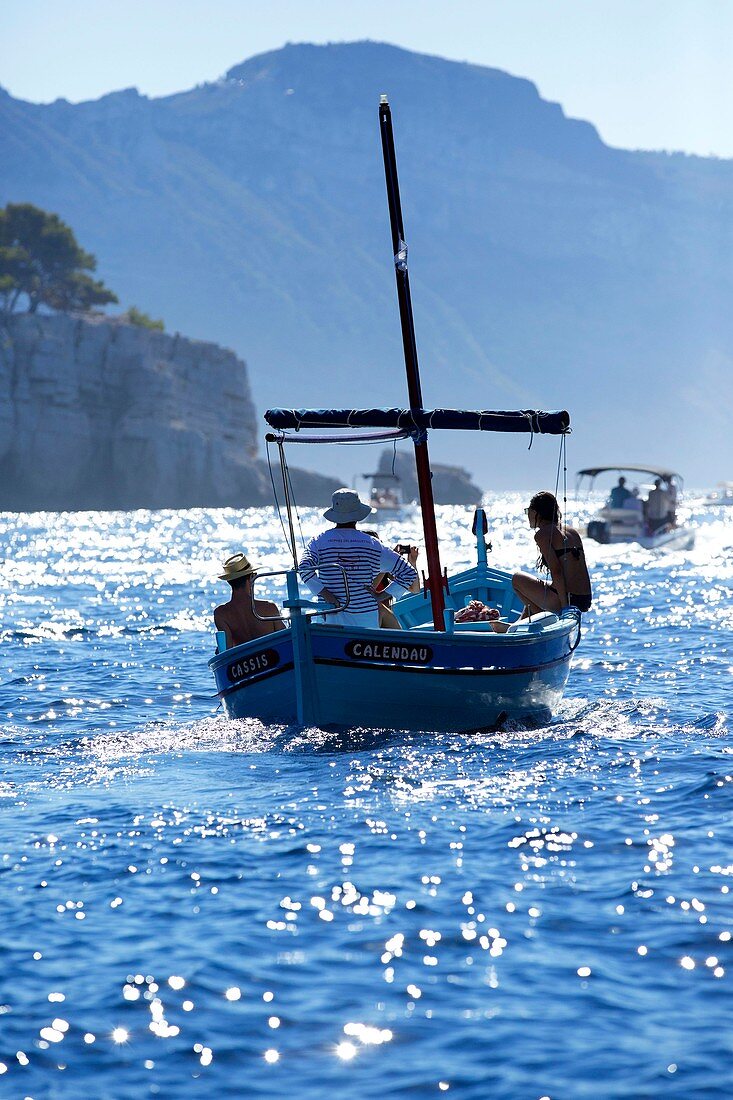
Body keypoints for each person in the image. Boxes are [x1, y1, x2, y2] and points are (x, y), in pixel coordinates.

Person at [299, 488, 419, 628]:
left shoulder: (319, 541)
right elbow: (409, 573)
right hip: (367, 620)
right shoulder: (373, 544)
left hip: (330, 618)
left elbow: (304, 567)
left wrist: (325, 594)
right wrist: (381, 595)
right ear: (357, 516)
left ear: (334, 514)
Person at [494, 491, 592, 630]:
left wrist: (565, 607)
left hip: (568, 600)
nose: (527, 514)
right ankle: (519, 623)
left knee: (517, 579)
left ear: (535, 512)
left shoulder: (543, 534)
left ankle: (539, 620)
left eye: (528, 510)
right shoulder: (572, 531)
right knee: (532, 589)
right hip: (584, 598)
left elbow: (556, 571)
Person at [214, 553, 284, 648]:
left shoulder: (221, 614)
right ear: (251, 578)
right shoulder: (269, 608)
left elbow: (226, 649)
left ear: (229, 581)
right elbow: (286, 640)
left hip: (242, 661)